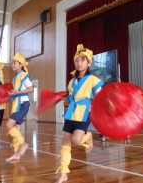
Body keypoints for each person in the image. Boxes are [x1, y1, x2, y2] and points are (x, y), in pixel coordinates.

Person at [56, 44, 104, 183]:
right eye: (77, 60)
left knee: (76, 140)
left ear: (89, 63)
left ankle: (88, 136)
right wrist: (60, 98)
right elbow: (70, 97)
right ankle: (64, 172)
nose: (79, 63)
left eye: (82, 60)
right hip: (71, 113)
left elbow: (101, 97)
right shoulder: (71, 81)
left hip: (84, 113)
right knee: (65, 142)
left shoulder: (93, 80)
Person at [5, 53, 33, 162]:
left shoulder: (23, 75)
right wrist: (12, 93)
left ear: (21, 65)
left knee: (9, 124)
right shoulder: (15, 77)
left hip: (23, 104)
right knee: (16, 128)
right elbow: (17, 91)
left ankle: (23, 144)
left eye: (15, 63)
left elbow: (31, 89)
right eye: (12, 63)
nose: (13, 64)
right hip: (17, 104)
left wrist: (17, 92)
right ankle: (17, 154)